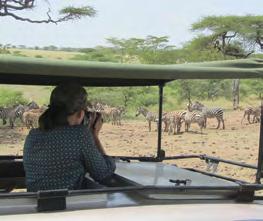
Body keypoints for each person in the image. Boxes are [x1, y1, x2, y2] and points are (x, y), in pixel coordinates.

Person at [23, 83, 116, 192]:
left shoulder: (33, 135)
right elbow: (103, 173)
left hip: (36, 203)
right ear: (80, 114)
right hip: (67, 205)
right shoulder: (79, 135)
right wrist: (94, 135)